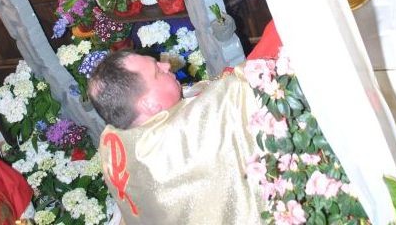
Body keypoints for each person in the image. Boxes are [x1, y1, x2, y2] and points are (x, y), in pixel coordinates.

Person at [88, 50, 265, 224]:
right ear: (149, 104)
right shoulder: (182, 138)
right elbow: (241, 89)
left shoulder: (113, 140)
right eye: (158, 71)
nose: (166, 65)